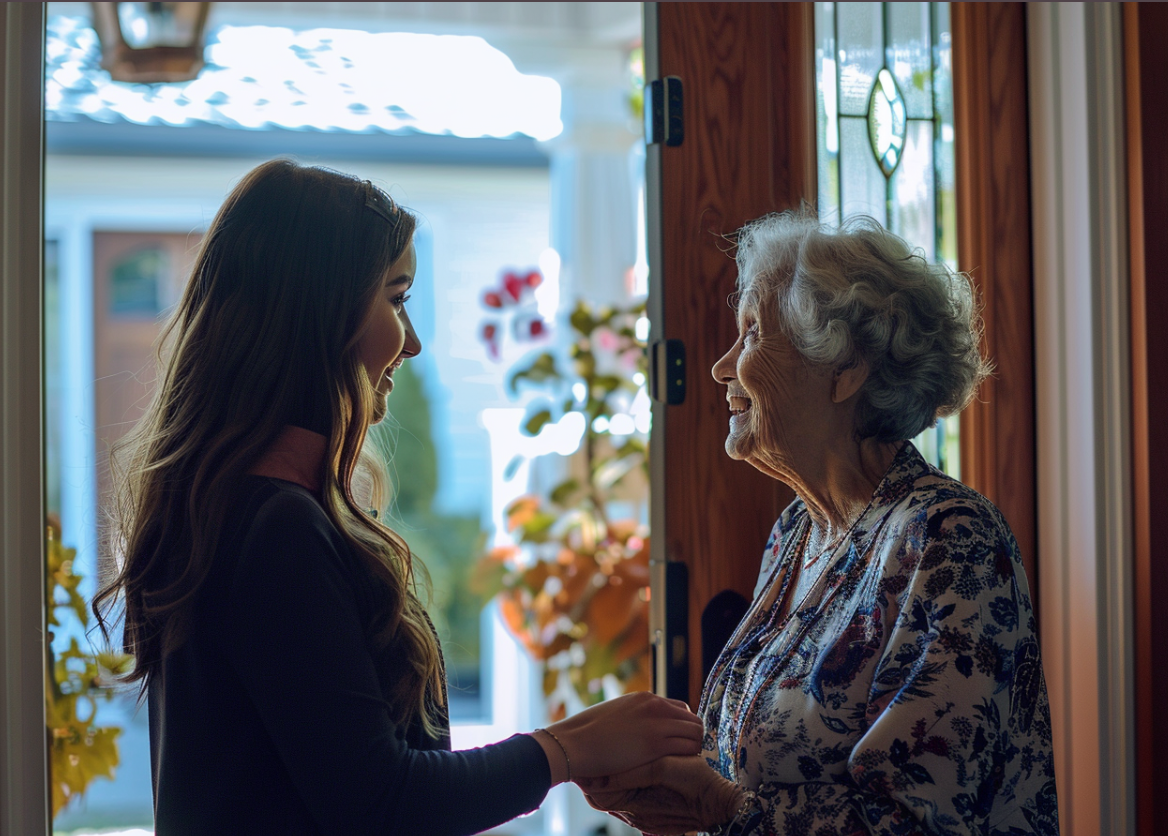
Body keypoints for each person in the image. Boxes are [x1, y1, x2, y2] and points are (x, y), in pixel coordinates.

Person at [93, 159, 703, 836]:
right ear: (315, 312)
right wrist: (566, 750)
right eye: (397, 298)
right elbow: (381, 803)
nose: (411, 344)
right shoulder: (276, 529)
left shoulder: (230, 509)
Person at [581, 213, 1058, 835]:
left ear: (845, 368)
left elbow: (916, 824)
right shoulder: (798, 533)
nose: (723, 367)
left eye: (751, 334)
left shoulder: (949, 540)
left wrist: (716, 807)